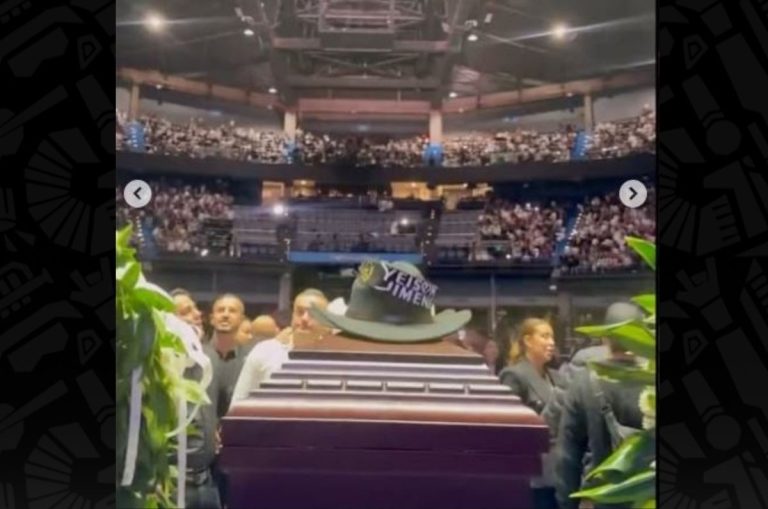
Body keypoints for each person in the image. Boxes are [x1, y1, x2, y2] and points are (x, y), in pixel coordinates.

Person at [554, 303, 646, 509]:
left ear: (605, 339)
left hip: (598, 498)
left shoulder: (584, 382)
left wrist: (566, 502)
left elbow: (567, 457)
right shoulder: (650, 380)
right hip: (645, 498)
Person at [499, 318, 565, 509]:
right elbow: (510, 429)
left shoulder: (558, 377)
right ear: (528, 340)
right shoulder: (513, 375)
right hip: (532, 476)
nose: (551, 343)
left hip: (559, 472)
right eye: (545, 336)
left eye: (552, 337)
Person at [230, 289, 330, 404]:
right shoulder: (264, 352)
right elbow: (239, 402)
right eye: (299, 312)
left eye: (314, 314)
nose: (304, 318)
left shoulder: (336, 359)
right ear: (292, 315)